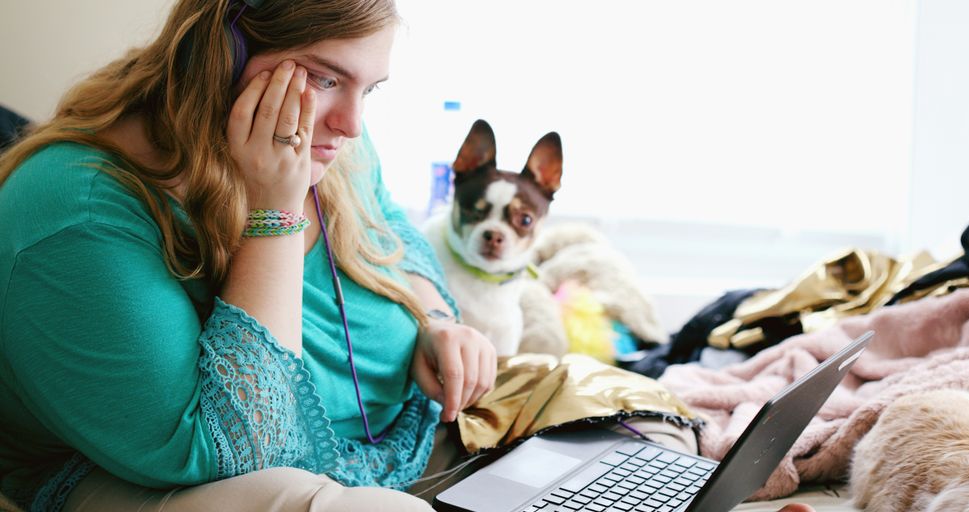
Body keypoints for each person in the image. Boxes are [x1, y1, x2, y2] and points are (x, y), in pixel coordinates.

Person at [0, 1, 821, 510]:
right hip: (227, 477)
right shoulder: (72, 211)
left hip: (414, 435)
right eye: (326, 78)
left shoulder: (334, 139)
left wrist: (437, 322)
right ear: (223, 54)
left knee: (632, 417)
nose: (354, 126)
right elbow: (234, 448)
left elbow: (404, 249)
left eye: (371, 89)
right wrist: (275, 212)